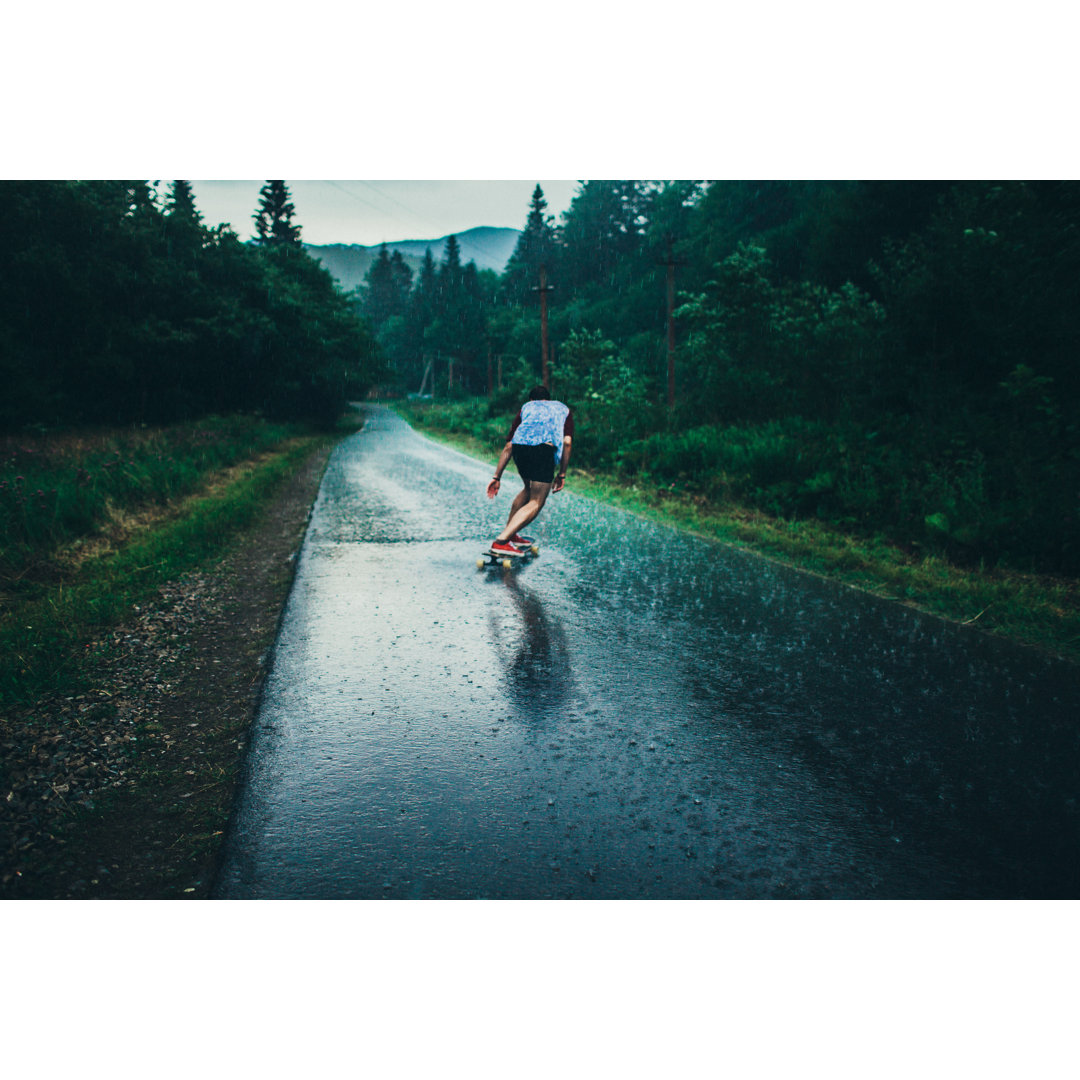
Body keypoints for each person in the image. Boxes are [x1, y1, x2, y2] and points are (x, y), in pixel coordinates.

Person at [486, 385, 574, 556]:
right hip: (542, 450)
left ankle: (510, 535)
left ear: (531, 400)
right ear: (548, 399)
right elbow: (568, 442)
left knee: (528, 489)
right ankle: (502, 541)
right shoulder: (563, 410)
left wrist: (497, 477)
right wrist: (562, 474)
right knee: (536, 501)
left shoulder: (526, 408)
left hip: (520, 450)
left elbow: (509, 445)